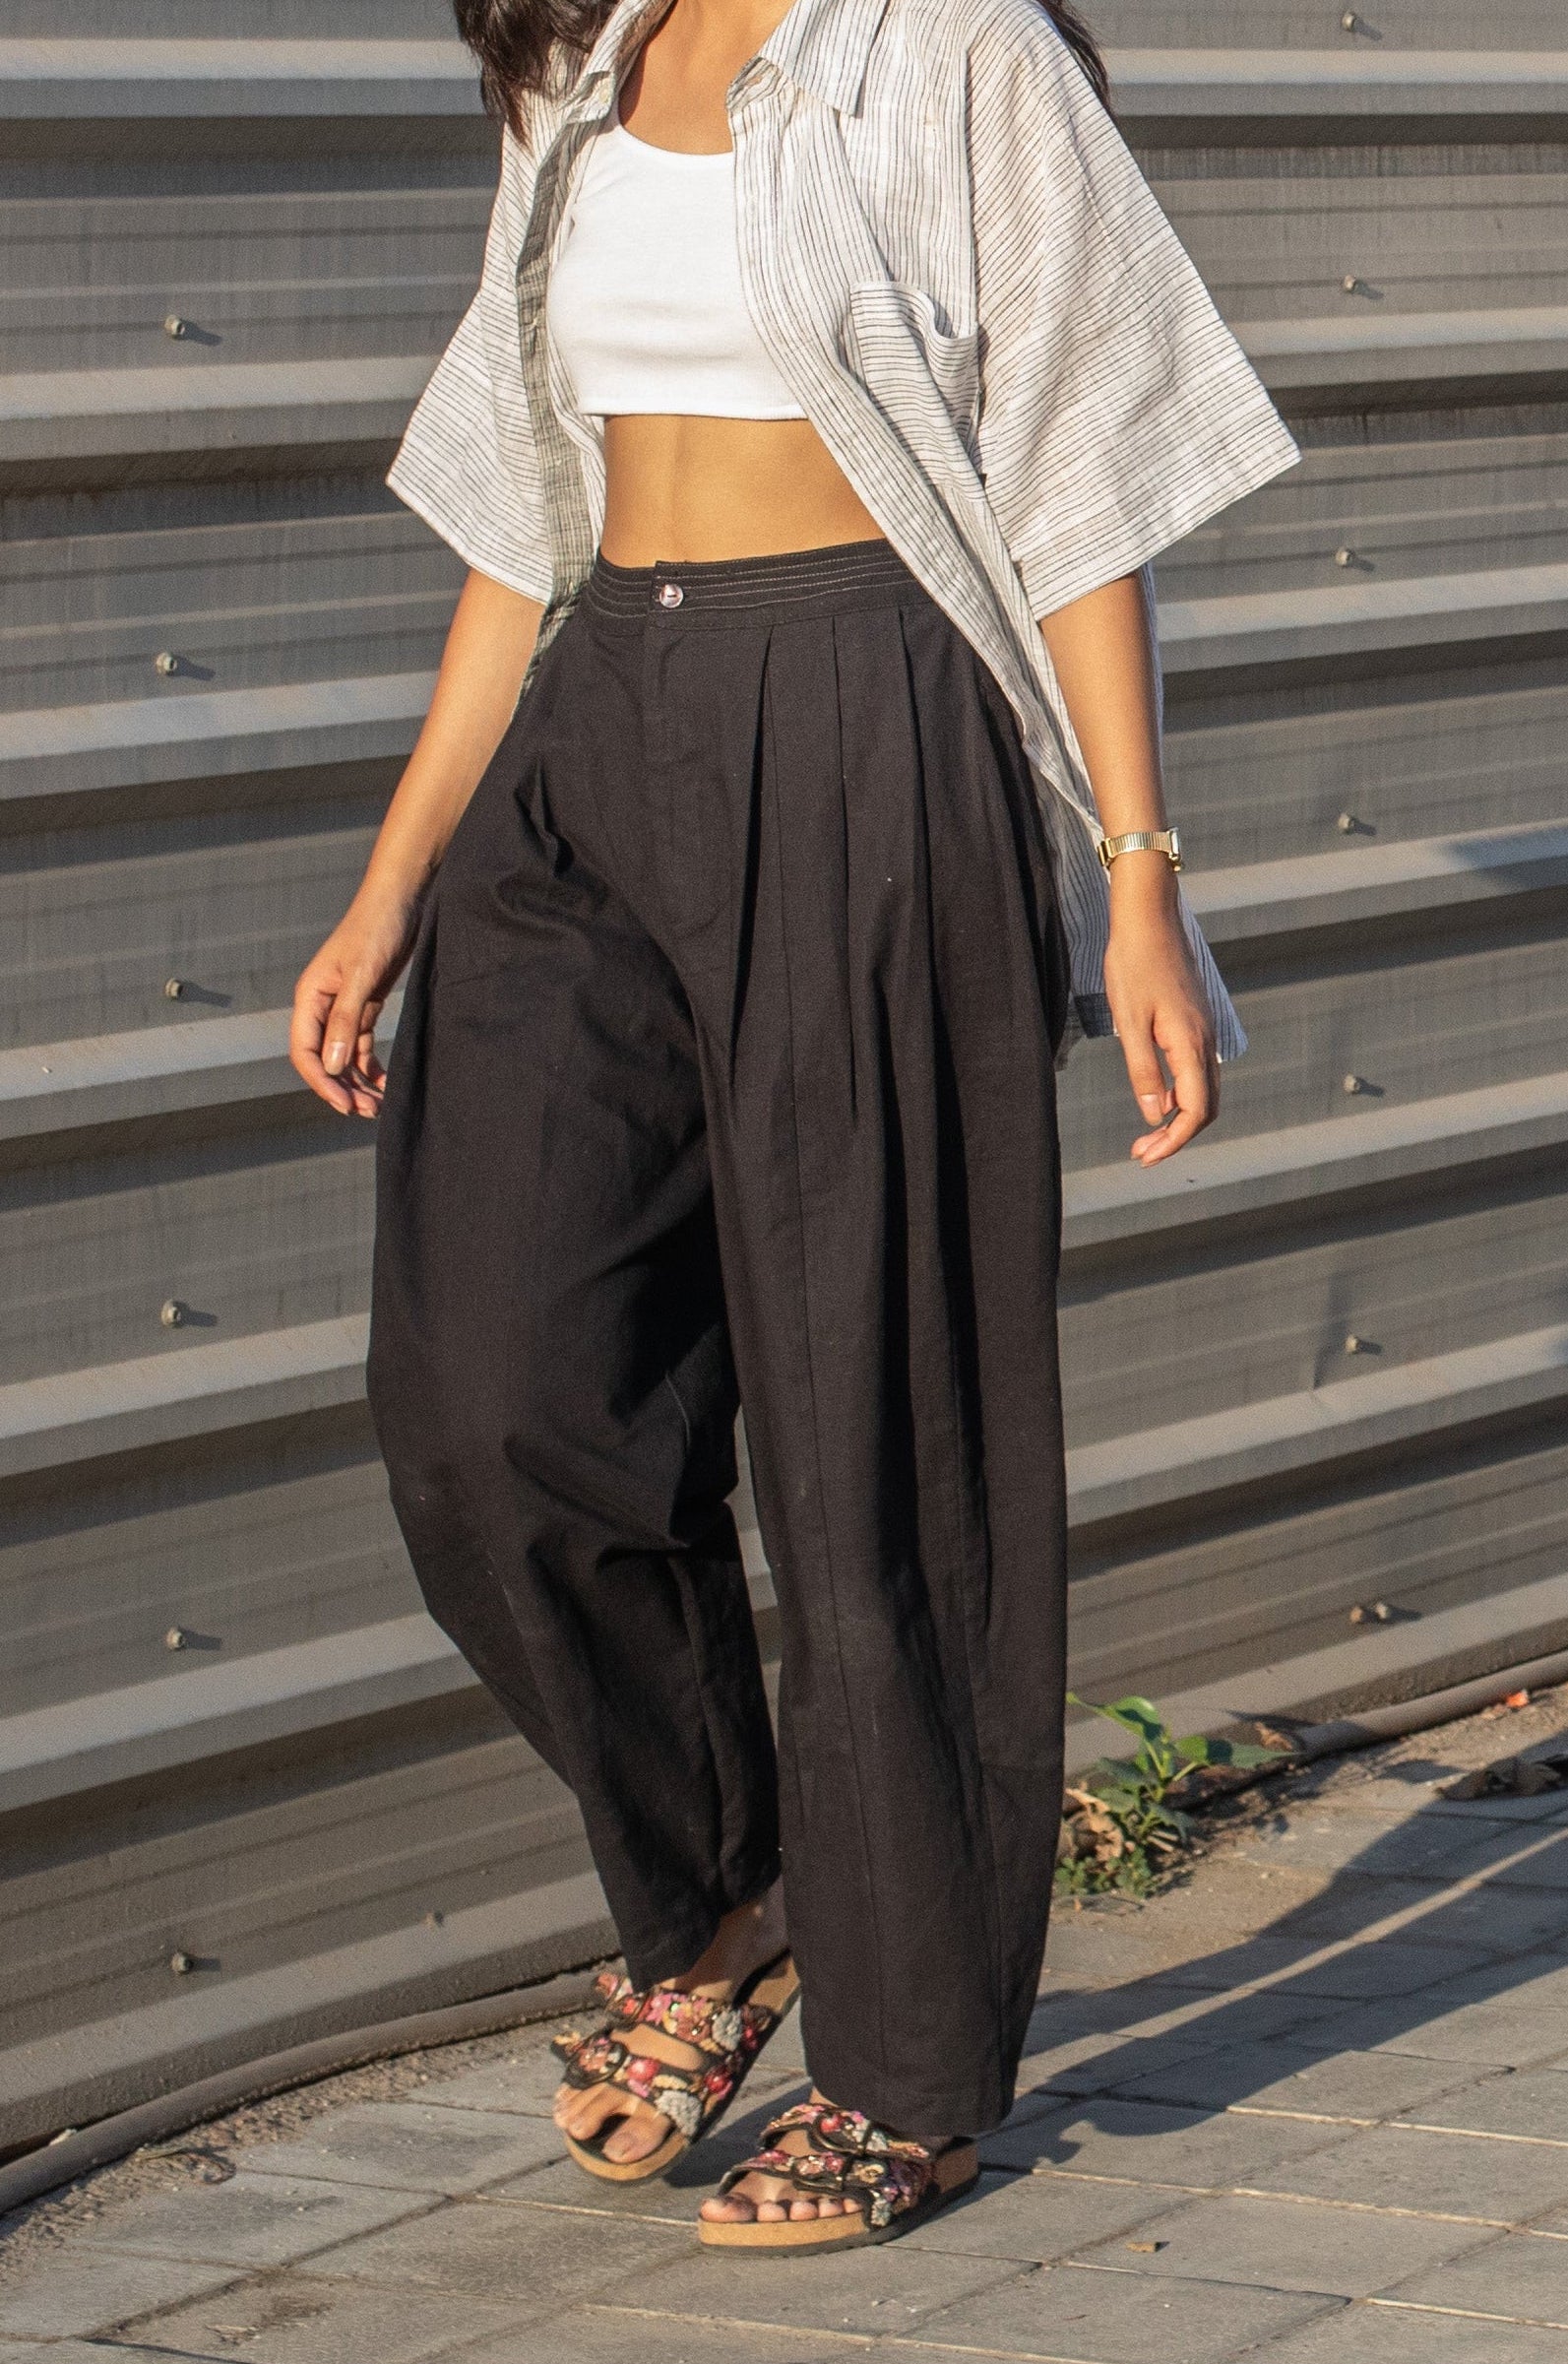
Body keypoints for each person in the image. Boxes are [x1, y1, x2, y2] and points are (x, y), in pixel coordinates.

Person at [290, 0, 1297, 2254]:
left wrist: (1136, 874)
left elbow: (1076, 456)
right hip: (591, 734)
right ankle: (722, 1897)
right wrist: (391, 876)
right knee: (490, 1397)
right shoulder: (580, 51)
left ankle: (906, 2070)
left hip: (863, 710)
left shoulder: (948, 48)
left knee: (873, 1432)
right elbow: (521, 506)